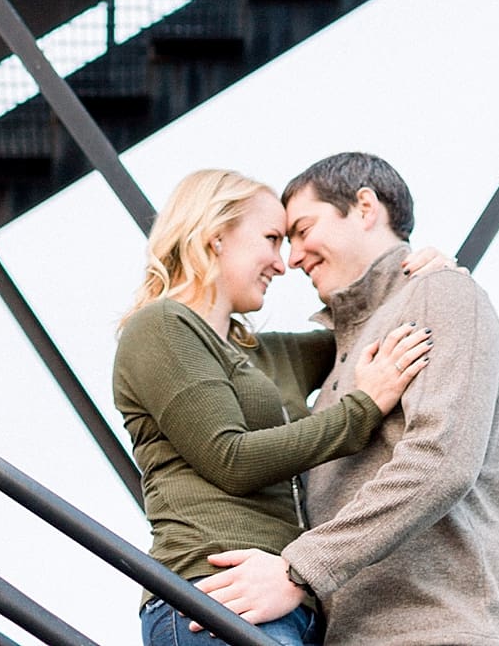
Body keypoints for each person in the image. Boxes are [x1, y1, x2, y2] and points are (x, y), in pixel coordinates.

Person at [198, 151, 499, 646]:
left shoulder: (439, 295)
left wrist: (296, 571)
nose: (292, 258)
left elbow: (443, 460)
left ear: (365, 207)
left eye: (303, 230)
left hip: (441, 631)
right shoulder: (341, 351)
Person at [112, 168, 434, 645]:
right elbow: (232, 460)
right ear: (216, 234)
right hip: (214, 593)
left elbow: (366, 330)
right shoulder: (161, 328)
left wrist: (423, 277)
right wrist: (363, 408)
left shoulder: (265, 355)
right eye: (271, 238)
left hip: (289, 603)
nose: (283, 264)